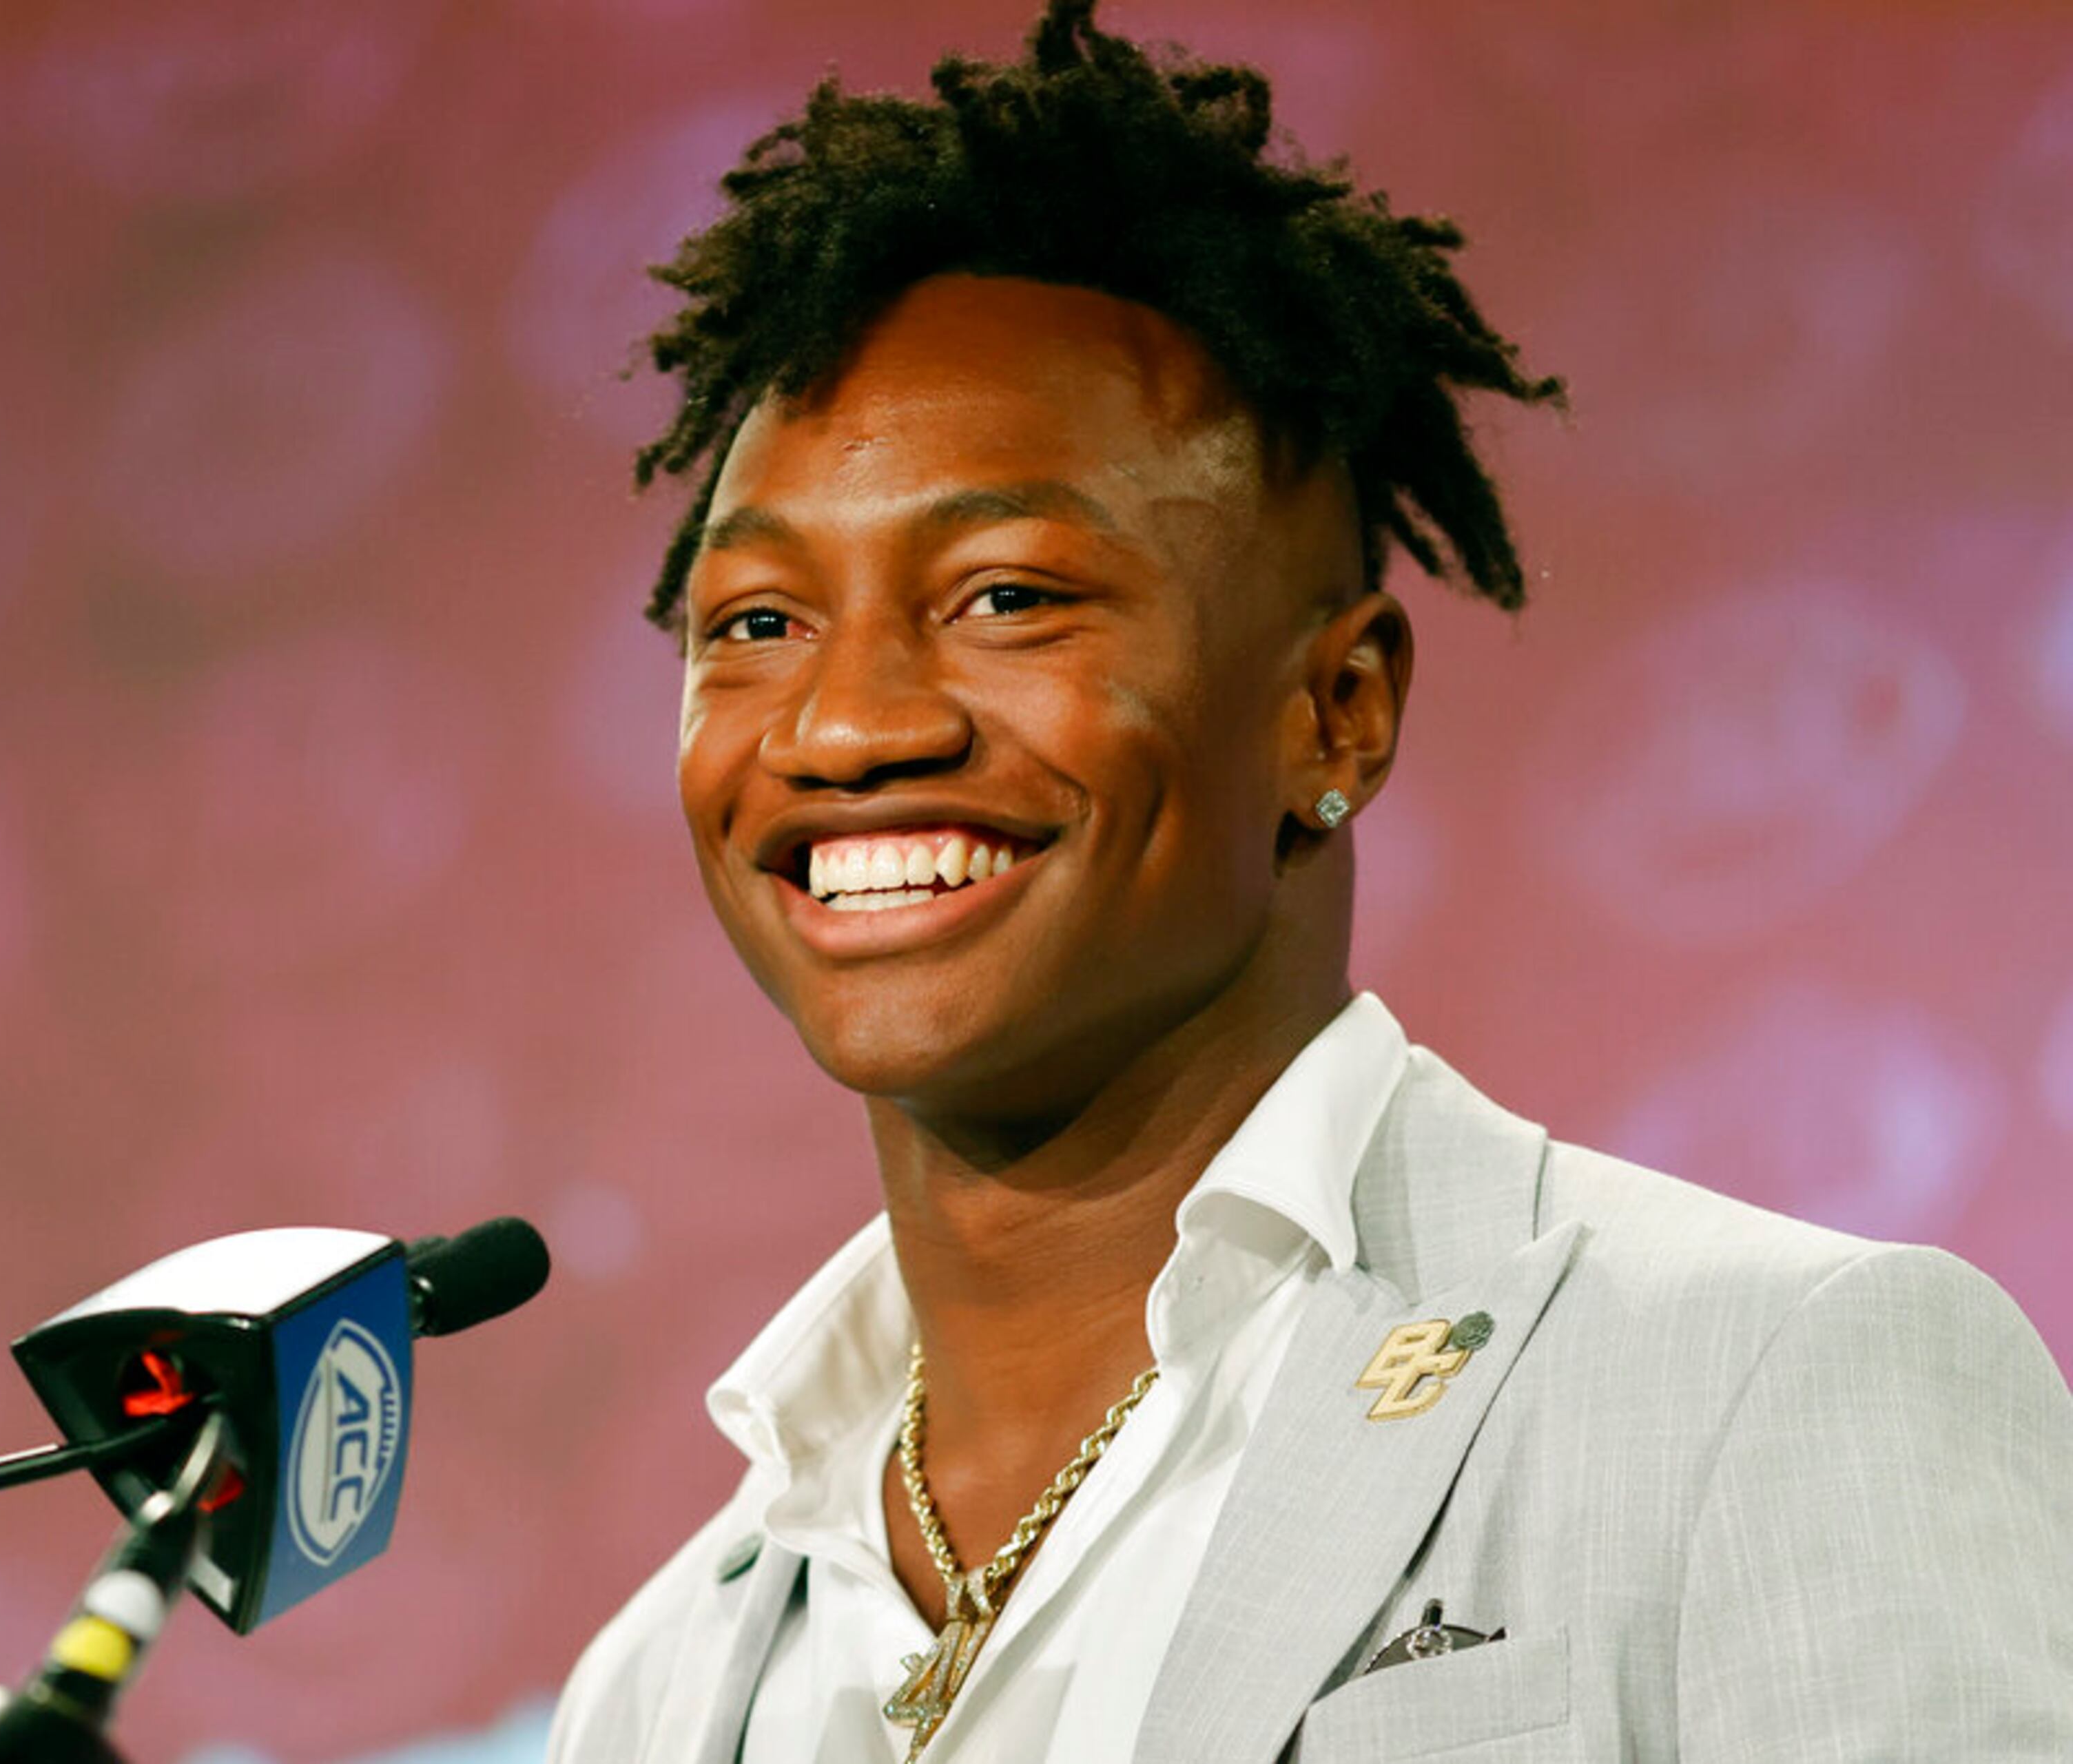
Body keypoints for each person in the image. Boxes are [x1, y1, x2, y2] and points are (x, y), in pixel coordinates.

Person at [548, 4, 2073, 1758]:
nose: (846, 725)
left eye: (1007, 596)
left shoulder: (1767, 1386)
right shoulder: (662, 1681)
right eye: (756, 624)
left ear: (1334, 712)